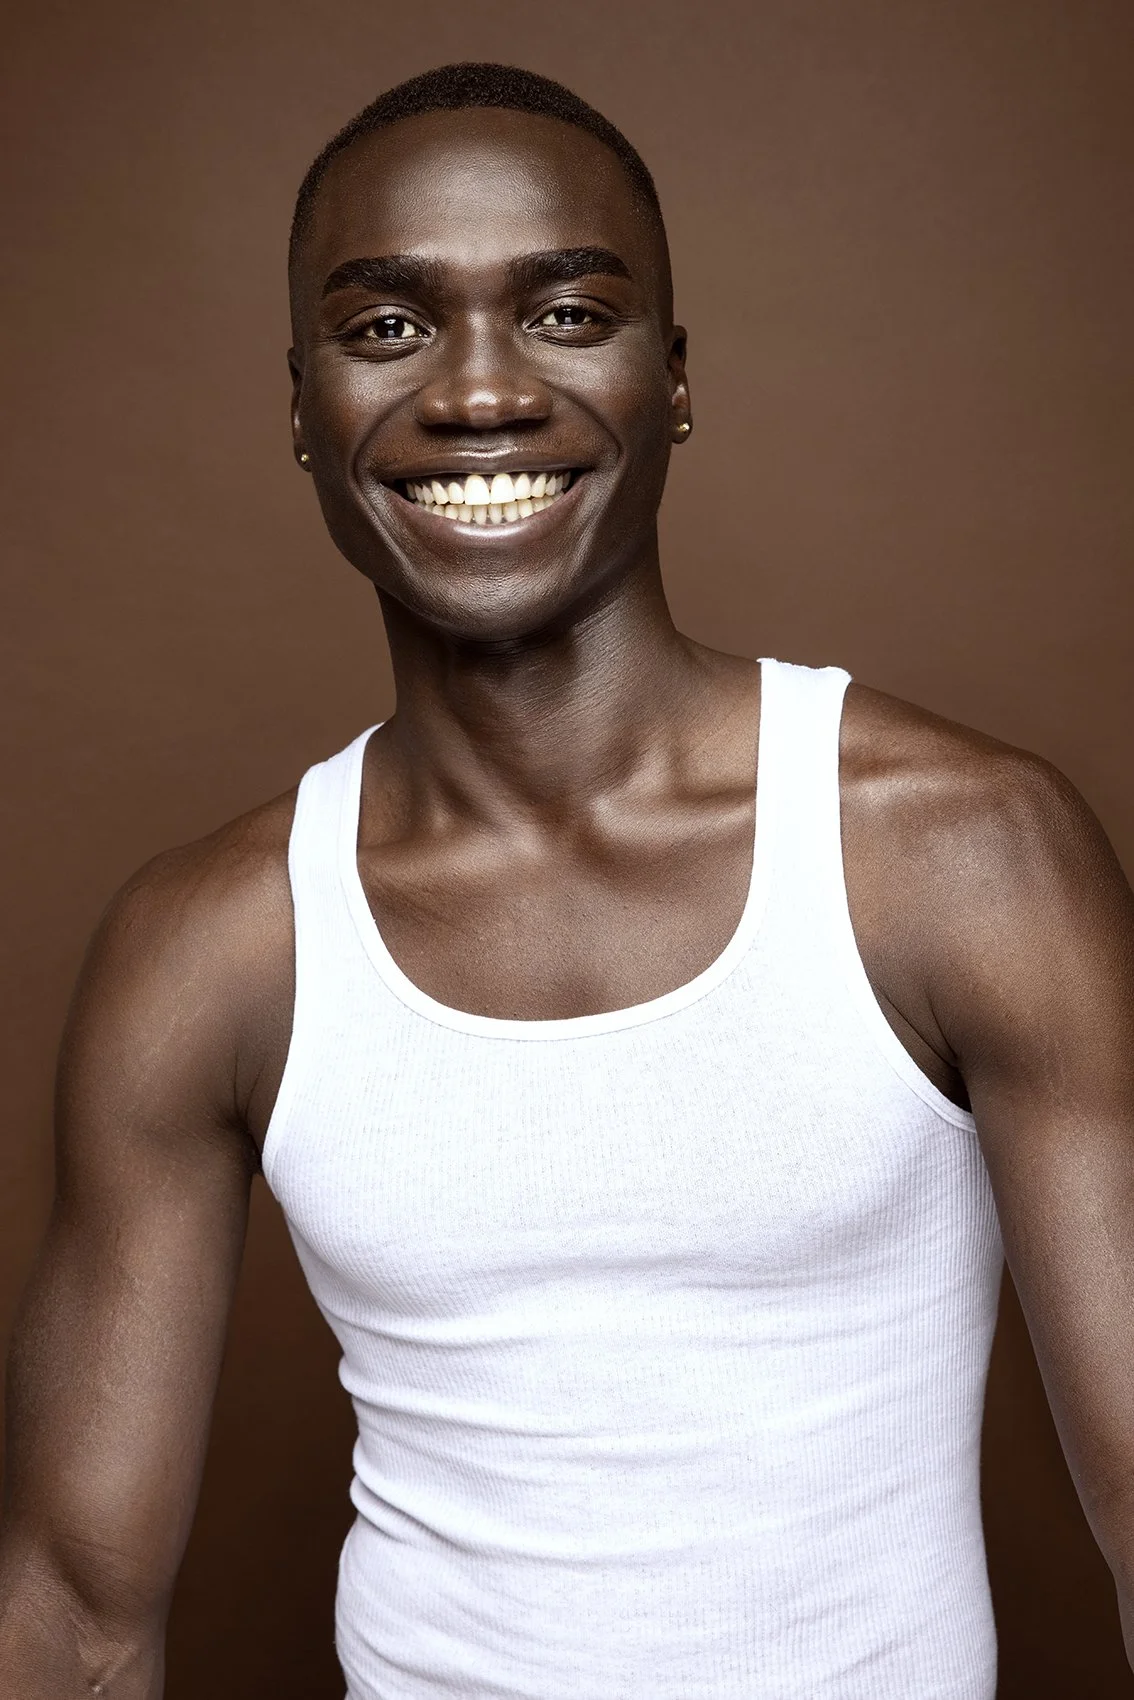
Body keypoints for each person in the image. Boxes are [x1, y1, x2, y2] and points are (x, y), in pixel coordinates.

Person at [1, 59, 1133, 1700]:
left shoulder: (959, 853)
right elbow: (72, 1610)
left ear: (671, 378)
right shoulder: (213, 950)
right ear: (302, 404)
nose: (479, 393)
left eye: (566, 314)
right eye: (389, 326)